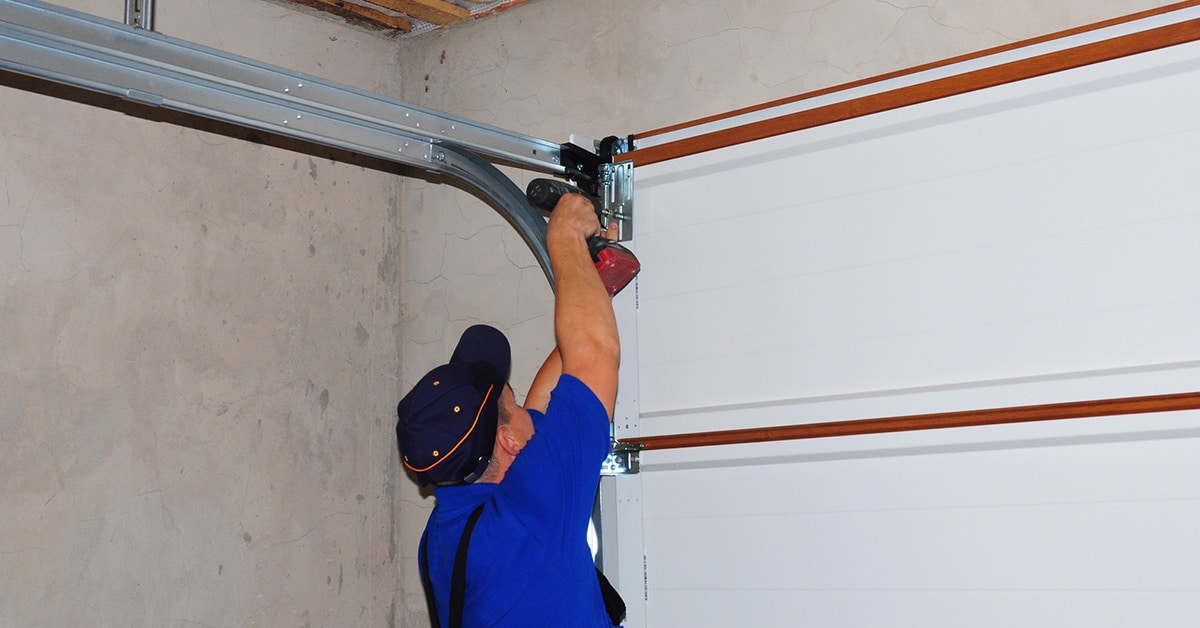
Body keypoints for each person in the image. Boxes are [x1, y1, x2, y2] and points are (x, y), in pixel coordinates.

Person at [396, 192, 623, 627]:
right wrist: (565, 237)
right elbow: (595, 354)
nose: (525, 403)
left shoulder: (445, 533)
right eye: (512, 400)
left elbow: (557, 396)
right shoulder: (526, 518)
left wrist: (595, 287)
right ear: (508, 441)